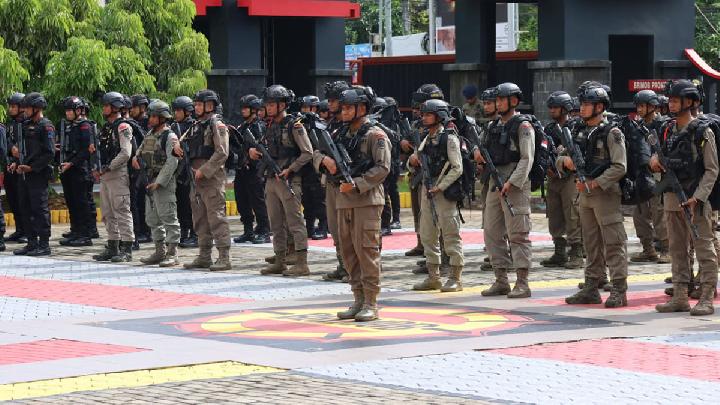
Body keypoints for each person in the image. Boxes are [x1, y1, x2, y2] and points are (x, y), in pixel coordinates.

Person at [321, 86, 390, 321]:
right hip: (344, 200)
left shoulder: (375, 135)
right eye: (343, 108)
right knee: (348, 252)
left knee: (366, 251)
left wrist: (357, 183)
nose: (344, 112)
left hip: (366, 201)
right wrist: (325, 160)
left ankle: (371, 302)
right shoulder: (339, 133)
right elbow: (316, 152)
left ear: (363, 108)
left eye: (349, 108)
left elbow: (383, 168)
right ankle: (358, 298)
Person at [560, 84, 629, 308]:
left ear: (599, 107)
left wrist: (595, 183)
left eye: (587, 104)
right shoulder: (578, 130)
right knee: (590, 242)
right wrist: (565, 162)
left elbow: (620, 166)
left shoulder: (612, 133)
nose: (582, 108)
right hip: (584, 194)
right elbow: (560, 156)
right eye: (581, 104)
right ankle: (591, 285)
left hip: (605, 194)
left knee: (613, 242)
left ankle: (619, 289)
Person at [654, 79, 718, 316]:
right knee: (677, 250)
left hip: (696, 201)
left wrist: (698, 198)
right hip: (672, 198)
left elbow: (712, 170)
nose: (671, 104)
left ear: (689, 102)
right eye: (670, 100)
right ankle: (680, 296)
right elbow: (659, 160)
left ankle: (707, 297)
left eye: (675, 100)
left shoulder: (702, 131)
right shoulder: (668, 130)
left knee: (704, 249)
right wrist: (654, 162)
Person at [479, 83, 534, 299]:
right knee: (491, 232)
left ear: (514, 101)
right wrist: (477, 155)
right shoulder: (492, 126)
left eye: (502, 99)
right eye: (497, 100)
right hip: (495, 183)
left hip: (515, 185)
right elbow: (482, 148)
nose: (498, 103)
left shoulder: (523, 126)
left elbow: (527, 158)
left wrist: (512, 182)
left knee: (518, 234)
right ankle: (501, 280)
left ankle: (522, 282)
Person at [173, 90, 232, 271]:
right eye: (196, 104)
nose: (196, 107)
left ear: (210, 105)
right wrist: (177, 146)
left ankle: (224, 257)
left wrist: (204, 171)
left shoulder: (216, 124)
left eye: (200, 104)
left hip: (211, 178)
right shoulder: (196, 125)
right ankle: (204, 255)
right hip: (195, 178)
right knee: (200, 219)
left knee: (216, 218)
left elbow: (222, 152)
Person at [409, 99, 465, 292]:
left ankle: (455, 278)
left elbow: (457, 168)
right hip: (427, 190)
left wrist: (440, 187)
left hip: (443, 193)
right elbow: (414, 162)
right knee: (427, 234)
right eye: (423, 114)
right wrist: (412, 162)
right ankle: (434, 277)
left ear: (439, 116)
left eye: (428, 114)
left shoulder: (449, 138)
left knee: (450, 234)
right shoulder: (425, 139)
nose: (424, 118)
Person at [133, 101, 181, 267]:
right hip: (149, 179)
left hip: (164, 183)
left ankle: (172, 253)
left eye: (154, 116)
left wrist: (159, 182)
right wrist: (135, 157)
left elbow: (172, 162)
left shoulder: (170, 137)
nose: (150, 119)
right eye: (150, 116)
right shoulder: (150, 134)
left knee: (168, 217)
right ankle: (159, 251)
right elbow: (140, 149)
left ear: (162, 118)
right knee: (152, 218)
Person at [541, 91, 583, 269]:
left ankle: (577, 252)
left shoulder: (576, 127)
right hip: (553, 177)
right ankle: (559, 251)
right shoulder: (549, 129)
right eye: (550, 107)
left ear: (565, 108)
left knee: (572, 214)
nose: (552, 110)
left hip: (570, 177)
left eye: (555, 107)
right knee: (555, 215)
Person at [92, 92, 135, 262]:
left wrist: (109, 166)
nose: (103, 108)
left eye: (106, 105)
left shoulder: (123, 127)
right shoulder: (106, 128)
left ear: (115, 107)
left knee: (122, 211)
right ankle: (112, 246)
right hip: (106, 175)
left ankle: (127, 249)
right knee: (107, 212)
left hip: (117, 174)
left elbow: (126, 153)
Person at [10, 93, 54, 257]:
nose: (25, 110)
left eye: (27, 108)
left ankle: (44, 244)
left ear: (37, 108)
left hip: (37, 174)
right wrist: (16, 159)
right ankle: (31, 242)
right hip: (23, 173)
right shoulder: (25, 125)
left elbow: (49, 153)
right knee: (25, 207)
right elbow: (24, 148)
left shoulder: (46, 126)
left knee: (39, 209)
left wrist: (32, 167)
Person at [317, 81, 353, 283]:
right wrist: (323, 160)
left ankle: (354, 267)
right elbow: (315, 151)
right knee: (334, 227)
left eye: (333, 100)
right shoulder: (330, 126)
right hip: (332, 183)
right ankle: (343, 264)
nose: (329, 104)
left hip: (349, 185)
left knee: (350, 229)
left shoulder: (353, 126)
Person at [630, 90, 670, 264]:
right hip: (641, 175)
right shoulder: (637, 126)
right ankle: (648, 249)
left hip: (659, 176)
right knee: (639, 214)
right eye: (637, 106)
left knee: (659, 212)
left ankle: (667, 248)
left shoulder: (664, 125)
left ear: (652, 106)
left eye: (642, 106)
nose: (639, 109)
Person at [232, 94, 270, 244]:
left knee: (258, 201)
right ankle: (248, 230)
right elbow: (238, 146)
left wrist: (250, 151)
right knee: (242, 200)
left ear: (253, 109)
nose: (243, 110)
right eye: (242, 108)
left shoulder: (259, 126)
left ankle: (264, 230)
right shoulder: (242, 127)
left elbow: (262, 148)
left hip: (255, 170)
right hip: (242, 168)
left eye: (246, 108)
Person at [58, 96, 96, 247]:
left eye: (70, 110)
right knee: (72, 202)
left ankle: (85, 235)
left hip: (80, 169)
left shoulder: (84, 126)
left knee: (81, 203)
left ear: (79, 111)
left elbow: (86, 150)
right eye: (66, 110)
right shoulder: (70, 126)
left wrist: (72, 163)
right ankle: (76, 231)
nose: (68, 113)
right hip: (68, 169)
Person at [299, 95, 328, 240]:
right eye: (303, 107)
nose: (305, 110)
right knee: (306, 199)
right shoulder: (300, 124)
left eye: (307, 107)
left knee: (319, 199)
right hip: (304, 167)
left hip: (317, 167)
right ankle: (309, 226)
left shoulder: (321, 124)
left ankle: (323, 226)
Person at [170, 96, 198, 248]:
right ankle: (184, 230)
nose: (176, 113)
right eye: (175, 110)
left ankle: (195, 233)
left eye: (178, 110)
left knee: (192, 204)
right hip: (178, 170)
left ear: (187, 111)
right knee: (181, 204)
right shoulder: (173, 126)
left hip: (191, 170)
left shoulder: (194, 126)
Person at [3, 92, 27, 245]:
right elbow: (7, 142)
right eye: (10, 106)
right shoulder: (10, 124)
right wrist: (11, 150)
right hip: (10, 166)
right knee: (13, 199)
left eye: (13, 106)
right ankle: (19, 229)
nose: (10, 109)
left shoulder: (27, 124)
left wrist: (17, 159)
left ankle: (27, 231)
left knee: (23, 200)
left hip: (21, 168)